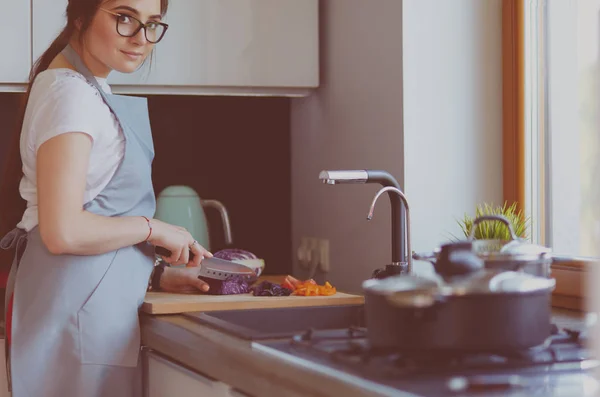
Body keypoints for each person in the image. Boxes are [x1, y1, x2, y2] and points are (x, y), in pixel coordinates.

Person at [0, 1, 213, 395]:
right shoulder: (70, 95)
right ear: (80, 16)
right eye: (125, 18)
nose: (141, 39)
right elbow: (63, 232)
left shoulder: (84, 89)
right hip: (72, 322)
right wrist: (154, 229)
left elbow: (92, 220)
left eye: (152, 25)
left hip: (82, 316)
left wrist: (157, 276)